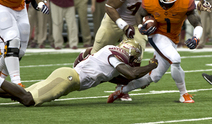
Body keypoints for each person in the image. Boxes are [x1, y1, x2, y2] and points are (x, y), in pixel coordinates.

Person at [107, 0, 212, 104]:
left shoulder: (185, 0)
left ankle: (122, 91)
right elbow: (139, 14)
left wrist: (196, 38)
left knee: (154, 76)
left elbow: (197, 23)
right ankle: (184, 94)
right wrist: (141, 27)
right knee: (176, 59)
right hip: (157, 35)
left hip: (173, 38)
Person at [0, 39, 158, 107]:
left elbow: (124, 78)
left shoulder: (111, 60)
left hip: (69, 77)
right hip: (68, 78)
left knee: (21, 95)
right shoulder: (115, 53)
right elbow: (131, 73)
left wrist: (139, 81)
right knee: (28, 100)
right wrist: (151, 65)